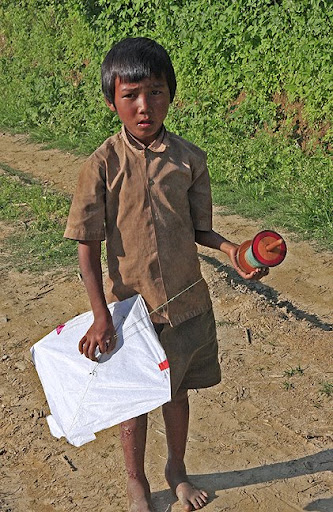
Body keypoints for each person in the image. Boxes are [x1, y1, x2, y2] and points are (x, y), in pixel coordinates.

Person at [64, 37, 267, 512]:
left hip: (185, 305)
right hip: (130, 313)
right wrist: (100, 316)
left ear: (170, 94)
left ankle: (175, 468)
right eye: (130, 94)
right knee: (133, 405)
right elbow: (86, 248)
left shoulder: (189, 160)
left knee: (177, 394)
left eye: (155, 92)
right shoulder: (101, 166)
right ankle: (136, 480)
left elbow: (201, 231)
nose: (143, 106)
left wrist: (234, 251)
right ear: (111, 98)